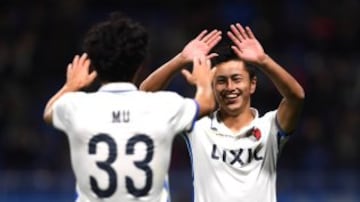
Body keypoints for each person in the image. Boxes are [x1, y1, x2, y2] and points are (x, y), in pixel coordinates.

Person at [43, 11, 218, 202]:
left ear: (95, 65)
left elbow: (49, 112)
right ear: (141, 64)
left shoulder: (76, 106)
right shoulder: (163, 106)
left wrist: (71, 86)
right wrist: (202, 80)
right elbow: (207, 103)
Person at [140, 23, 305, 202]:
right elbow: (145, 95)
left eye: (236, 79)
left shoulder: (270, 127)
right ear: (212, 85)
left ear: (252, 84)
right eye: (221, 81)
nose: (229, 87)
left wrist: (264, 61)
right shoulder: (196, 125)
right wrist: (181, 59)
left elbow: (296, 96)